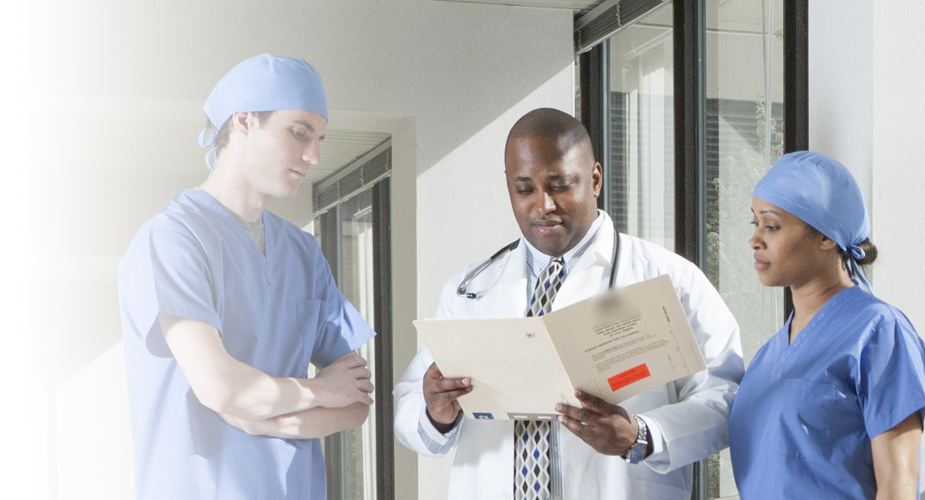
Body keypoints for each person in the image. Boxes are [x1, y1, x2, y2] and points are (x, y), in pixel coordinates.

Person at [393, 108, 745, 500]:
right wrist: (434, 412)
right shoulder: (468, 289)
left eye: (559, 185)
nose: (542, 205)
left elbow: (727, 399)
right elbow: (408, 405)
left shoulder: (669, 278)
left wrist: (641, 434)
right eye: (524, 189)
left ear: (594, 179)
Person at [118, 53, 377, 500]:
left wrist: (263, 418)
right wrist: (318, 391)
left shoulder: (302, 252)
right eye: (299, 133)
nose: (313, 156)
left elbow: (355, 402)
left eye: (319, 139)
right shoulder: (173, 239)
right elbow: (222, 389)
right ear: (243, 122)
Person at [729, 151, 925, 500]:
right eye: (755, 224)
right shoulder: (766, 359)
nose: (755, 239)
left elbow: (899, 480)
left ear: (827, 237)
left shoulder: (878, 331)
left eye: (772, 225)